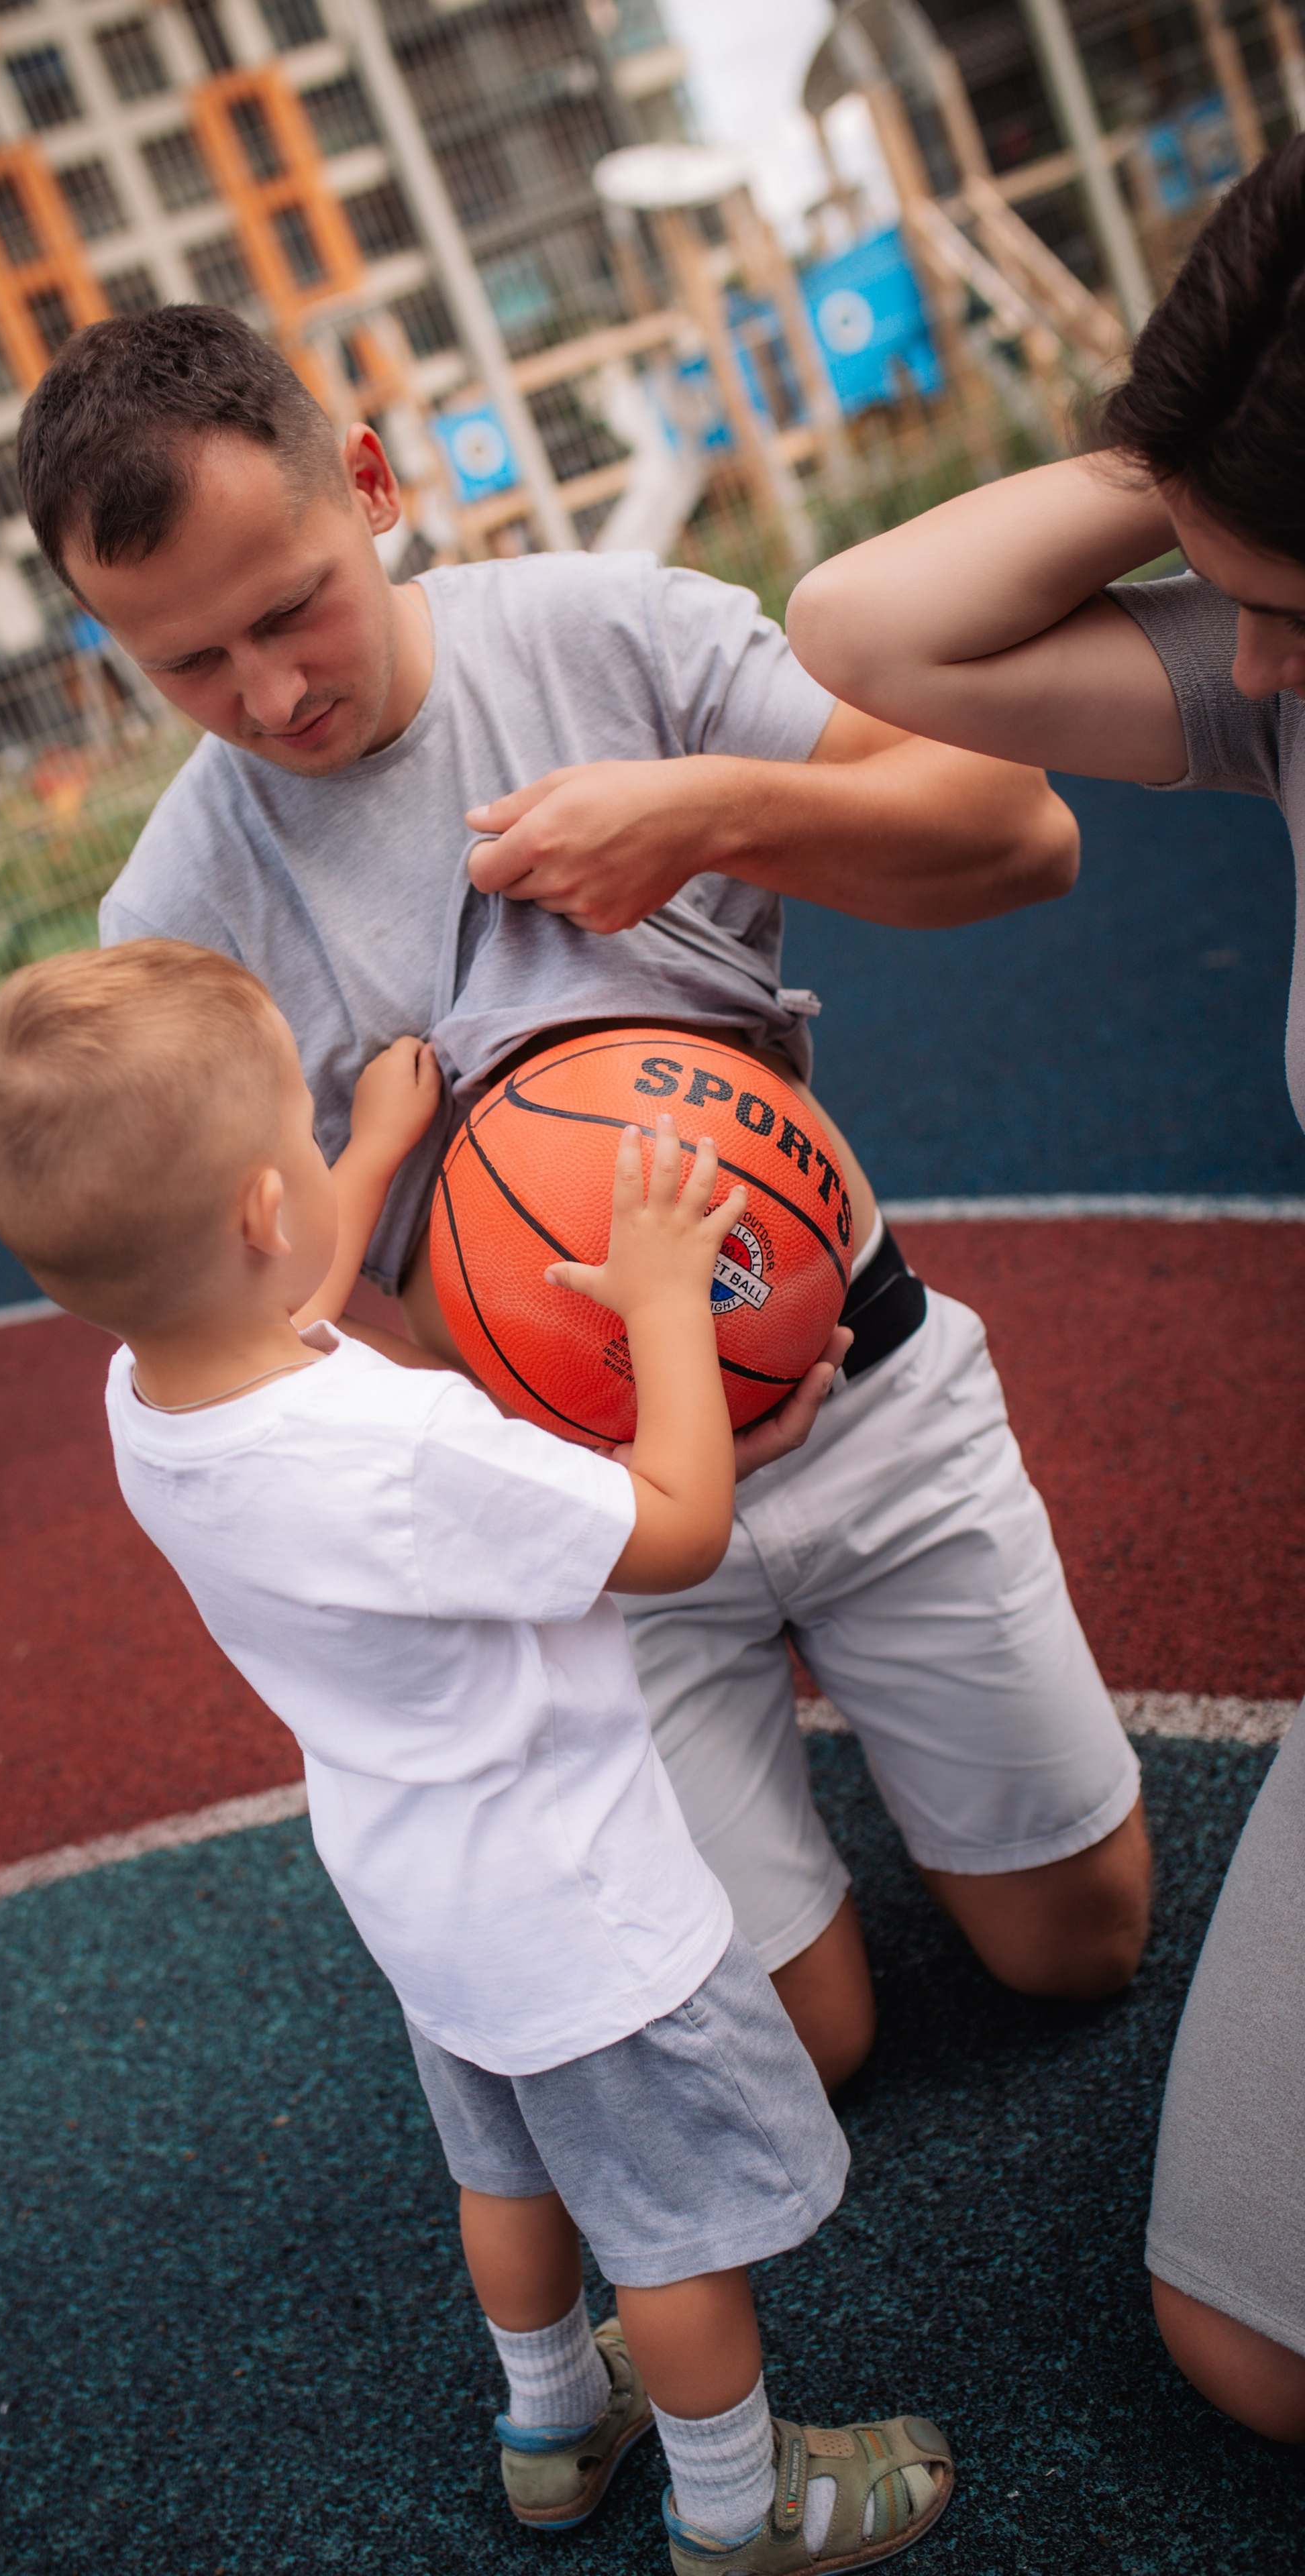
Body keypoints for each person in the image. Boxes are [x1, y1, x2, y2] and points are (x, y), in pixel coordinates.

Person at [14, 306, 1153, 2100]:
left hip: (855, 1380)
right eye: (189, 664)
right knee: (808, 2048)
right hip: (584, 1516)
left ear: (372, 484)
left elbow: (1023, 838)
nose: (270, 692)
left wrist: (707, 816)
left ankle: (883, 1729)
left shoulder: (606, 628)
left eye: (293, 601)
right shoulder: (178, 916)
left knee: (1079, 1949)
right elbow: (234, 1331)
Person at [0, 934, 955, 2573]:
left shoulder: (149, 1397)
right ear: (266, 1218)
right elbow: (676, 1527)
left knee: (509, 2178)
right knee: (670, 2234)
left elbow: (271, 1288)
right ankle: (737, 2503)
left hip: (428, 1907)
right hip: (585, 1906)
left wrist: (368, 1144)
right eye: (297, 1131)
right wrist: (660, 1316)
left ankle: (551, 2426)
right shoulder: (406, 1449)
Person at [784, 138, 1305, 2443]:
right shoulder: (1293, 691)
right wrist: (1179, 459)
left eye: (1287, 594)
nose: (1252, 649)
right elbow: (872, 630)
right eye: (1232, 589)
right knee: (1248, 2342)